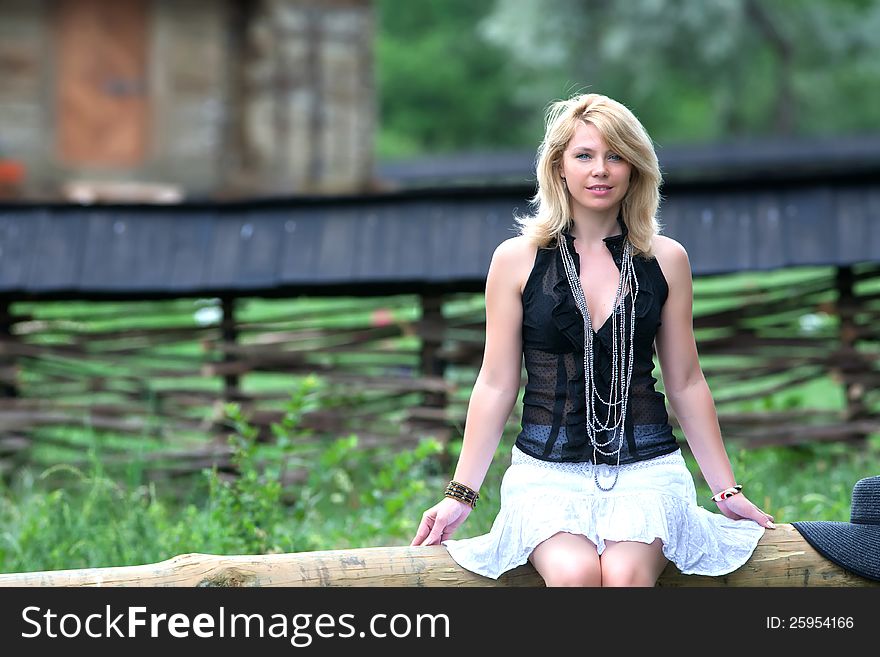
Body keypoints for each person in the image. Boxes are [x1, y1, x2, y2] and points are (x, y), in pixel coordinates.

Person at [410, 92, 776, 587]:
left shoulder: (667, 259)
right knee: (576, 575)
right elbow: (496, 384)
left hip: (647, 471)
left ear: (635, 169)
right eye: (584, 155)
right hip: (547, 475)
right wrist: (461, 494)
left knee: (624, 578)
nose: (600, 169)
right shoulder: (516, 260)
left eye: (615, 156)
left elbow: (686, 382)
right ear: (558, 167)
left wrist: (727, 492)